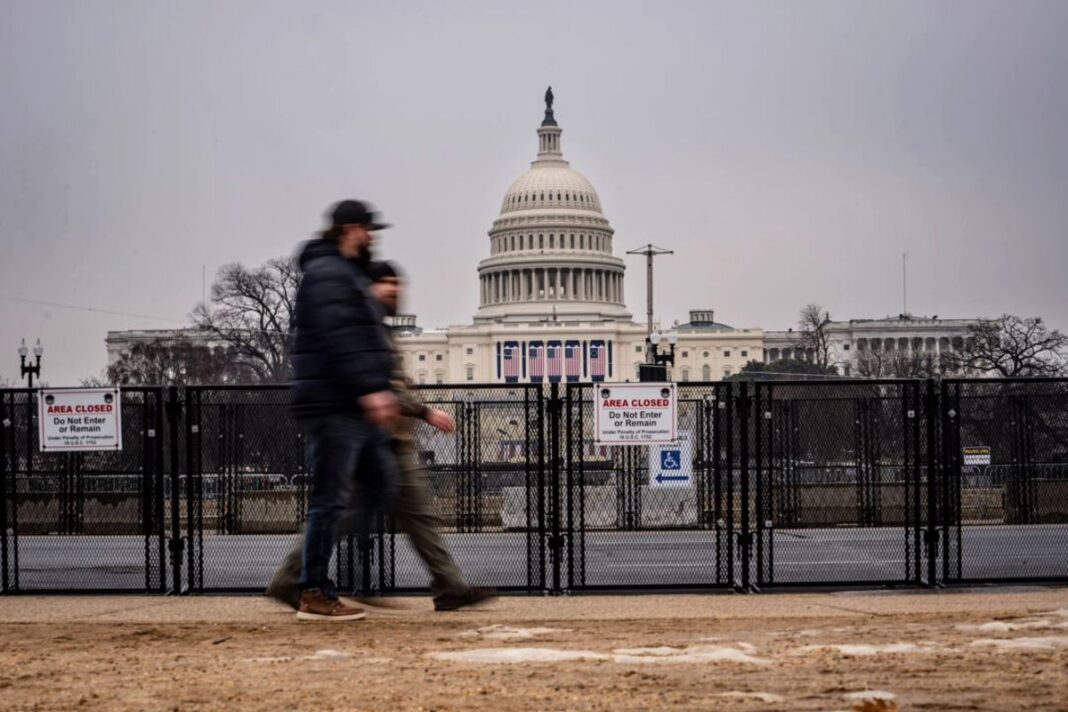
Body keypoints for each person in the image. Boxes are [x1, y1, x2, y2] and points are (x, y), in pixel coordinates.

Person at [268, 260, 496, 612]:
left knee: (419, 517)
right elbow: (379, 383)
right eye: (386, 283)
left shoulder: (378, 327)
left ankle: (450, 585)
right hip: (372, 437)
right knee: (345, 513)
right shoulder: (363, 327)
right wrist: (425, 411)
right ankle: (291, 578)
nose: (394, 290)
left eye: (396, 283)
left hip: (393, 439)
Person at [287, 199, 399, 621]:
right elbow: (341, 337)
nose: (373, 237)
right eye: (369, 229)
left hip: (354, 403)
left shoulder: (345, 273)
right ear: (351, 229)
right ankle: (311, 587)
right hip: (337, 402)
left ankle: (331, 575)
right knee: (330, 499)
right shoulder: (329, 274)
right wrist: (370, 388)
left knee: (381, 483)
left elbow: (360, 335)